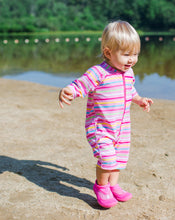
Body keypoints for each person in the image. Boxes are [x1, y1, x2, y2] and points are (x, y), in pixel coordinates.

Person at [59, 20, 153, 208]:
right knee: (107, 158)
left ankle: (113, 185)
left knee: (119, 158)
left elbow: (130, 89)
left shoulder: (129, 72)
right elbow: (80, 85)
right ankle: (101, 187)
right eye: (126, 54)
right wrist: (68, 90)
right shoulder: (98, 72)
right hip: (100, 127)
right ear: (108, 52)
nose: (132, 59)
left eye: (135, 54)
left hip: (122, 126)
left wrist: (139, 99)